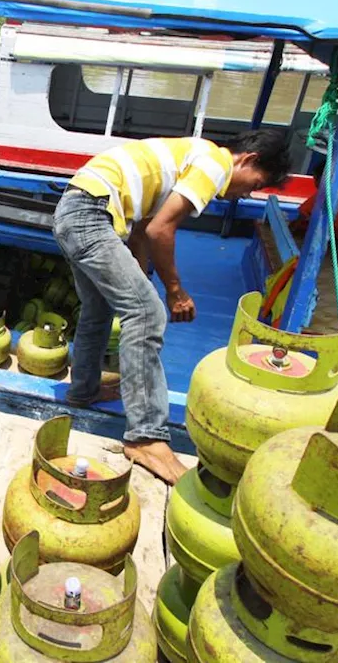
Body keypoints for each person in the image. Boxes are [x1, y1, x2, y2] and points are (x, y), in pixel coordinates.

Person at [53, 132, 291, 485]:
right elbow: (161, 230)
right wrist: (174, 291)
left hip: (77, 211)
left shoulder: (192, 156)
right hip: (91, 215)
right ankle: (146, 437)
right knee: (148, 314)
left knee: (100, 309)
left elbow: (142, 232)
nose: (246, 194)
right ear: (248, 159)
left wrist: (145, 278)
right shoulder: (216, 164)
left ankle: (83, 389)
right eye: (255, 184)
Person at [289, 160, 338, 240]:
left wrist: (294, 228)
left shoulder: (320, 197)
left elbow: (302, 215)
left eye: (316, 178)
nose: (315, 182)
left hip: (330, 231)